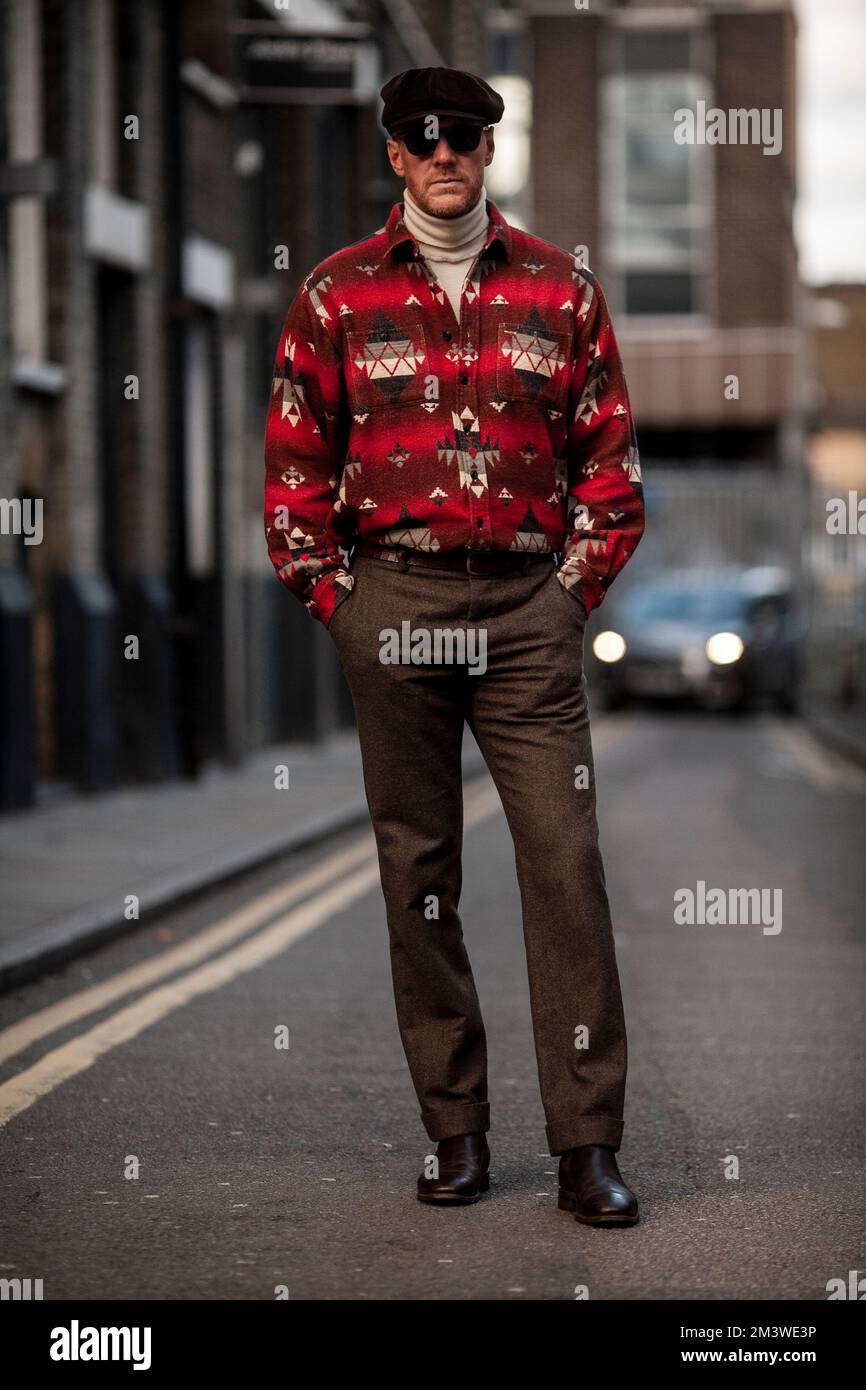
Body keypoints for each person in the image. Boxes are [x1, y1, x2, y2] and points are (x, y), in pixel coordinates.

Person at [264, 66, 644, 1226]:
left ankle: (585, 1148)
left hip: (526, 611)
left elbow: (610, 472)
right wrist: (345, 603)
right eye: (422, 142)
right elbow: (293, 478)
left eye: (465, 140)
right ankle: (455, 1132)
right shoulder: (333, 296)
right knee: (418, 875)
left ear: (488, 150)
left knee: (563, 868)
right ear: (393, 155)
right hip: (396, 600)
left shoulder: (559, 289)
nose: (445, 158)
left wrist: (567, 594)